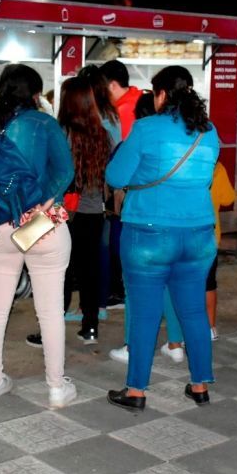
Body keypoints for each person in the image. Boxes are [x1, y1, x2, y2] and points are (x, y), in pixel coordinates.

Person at [105, 66, 220, 411]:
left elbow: (115, 176)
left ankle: (137, 390)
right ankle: (200, 384)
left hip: (148, 235)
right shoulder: (208, 131)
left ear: (162, 94)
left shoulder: (146, 128)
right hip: (199, 235)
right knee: (194, 312)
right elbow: (205, 181)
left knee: (145, 313)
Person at [0, 64, 76, 409]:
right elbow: (66, 170)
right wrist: (46, 201)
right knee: (50, 312)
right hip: (40, 225)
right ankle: (56, 388)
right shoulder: (44, 123)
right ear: (34, 92)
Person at [108, 91, 187, 365]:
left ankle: (133, 347)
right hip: (177, 223)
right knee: (169, 284)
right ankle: (175, 344)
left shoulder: (135, 141)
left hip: (142, 223)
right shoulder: (181, 139)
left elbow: (116, 177)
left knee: (136, 288)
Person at [57, 66, 115, 345]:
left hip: (62, 213)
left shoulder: (61, 133)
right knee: (89, 269)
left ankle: (52, 324)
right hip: (94, 212)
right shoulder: (103, 134)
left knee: (61, 270)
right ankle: (90, 326)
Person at [99, 59, 142, 311]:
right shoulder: (138, 100)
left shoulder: (123, 111)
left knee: (118, 239)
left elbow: (122, 154)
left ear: (112, 85)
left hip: (125, 188)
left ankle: (120, 292)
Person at [206, 160, 237, 341]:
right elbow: (228, 198)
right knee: (209, 284)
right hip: (210, 235)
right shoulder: (217, 168)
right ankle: (210, 327)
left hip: (187, 230)